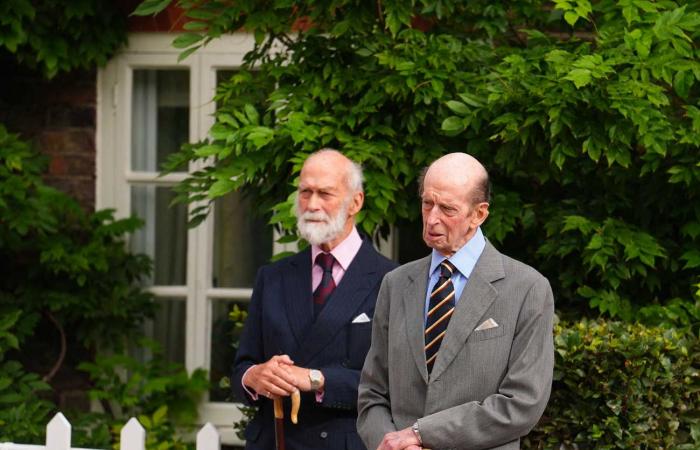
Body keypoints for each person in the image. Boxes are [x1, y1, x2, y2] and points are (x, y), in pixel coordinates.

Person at [357, 153, 554, 450]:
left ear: (479, 214)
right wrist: (390, 443)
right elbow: (372, 394)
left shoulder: (527, 289)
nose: (432, 218)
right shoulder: (395, 284)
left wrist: (420, 434)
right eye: (427, 203)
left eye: (447, 208)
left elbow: (522, 403)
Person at [232, 149, 398, 450]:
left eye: (325, 193)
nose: (312, 204)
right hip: (276, 442)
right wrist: (254, 377)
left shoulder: (393, 281)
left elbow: (396, 387)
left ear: (355, 202)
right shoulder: (273, 277)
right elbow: (241, 367)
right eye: (305, 192)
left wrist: (317, 379)